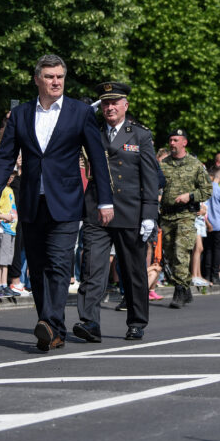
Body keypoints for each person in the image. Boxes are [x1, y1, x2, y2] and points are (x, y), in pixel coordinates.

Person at [0, 55, 114, 352]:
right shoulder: (20, 114)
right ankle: (50, 326)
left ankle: (52, 325)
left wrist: (105, 200)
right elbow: (5, 157)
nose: (56, 82)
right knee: (38, 268)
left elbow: (97, 158)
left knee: (58, 264)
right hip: (31, 201)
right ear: (37, 79)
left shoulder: (79, 112)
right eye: (49, 76)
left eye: (60, 76)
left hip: (66, 202)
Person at [74, 81, 159, 342]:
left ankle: (136, 321)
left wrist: (149, 214)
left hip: (129, 211)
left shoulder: (140, 135)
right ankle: (90, 322)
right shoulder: (92, 131)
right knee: (92, 268)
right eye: (106, 103)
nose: (110, 107)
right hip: (97, 210)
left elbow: (151, 178)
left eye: (115, 102)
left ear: (125, 105)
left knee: (133, 270)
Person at [159, 128, 211, 309]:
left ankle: (179, 290)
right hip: (166, 215)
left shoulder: (196, 165)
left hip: (186, 215)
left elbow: (207, 190)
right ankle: (186, 286)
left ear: (184, 142)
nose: (172, 143)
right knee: (170, 254)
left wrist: (190, 196)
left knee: (181, 252)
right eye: (170, 140)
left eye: (175, 140)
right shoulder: (163, 164)